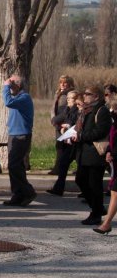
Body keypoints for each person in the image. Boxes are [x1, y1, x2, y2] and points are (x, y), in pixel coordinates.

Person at [73, 85, 112, 226]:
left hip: (95, 154)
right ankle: (98, 208)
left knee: (94, 185)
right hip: (84, 153)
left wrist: (81, 136)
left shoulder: (102, 111)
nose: (85, 96)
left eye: (88, 94)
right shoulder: (85, 110)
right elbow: (79, 127)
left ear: (96, 96)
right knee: (81, 180)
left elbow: (100, 132)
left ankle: (96, 213)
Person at [2, 75, 36, 207]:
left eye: (12, 83)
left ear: (17, 84)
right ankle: (18, 194)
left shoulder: (24, 98)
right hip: (14, 134)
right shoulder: (17, 98)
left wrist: (5, 87)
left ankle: (28, 192)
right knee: (15, 166)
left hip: (21, 136)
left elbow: (7, 102)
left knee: (14, 165)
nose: (9, 86)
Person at [47, 90, 80, 196]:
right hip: (68, 142)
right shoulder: (67, 109)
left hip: (75, 143)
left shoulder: (77, 110)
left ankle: (59, 188)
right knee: (63, 164)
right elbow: (56, 119)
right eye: (68, 98)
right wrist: (61, 126)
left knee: (69, 165)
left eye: (70, 98)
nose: (68, 100)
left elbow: (76, 123)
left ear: (75, 100)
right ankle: (58, 188)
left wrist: (67, 126)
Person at [94, 94, 117, 234]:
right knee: (115, 193)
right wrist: (109, 151)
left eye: (115, 109)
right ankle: (106, 223)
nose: (113, 112)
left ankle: (106, 223)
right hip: (115, 160)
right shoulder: (114, 122)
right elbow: (112, 139)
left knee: (115, 192)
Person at [49, 76, 75, 175]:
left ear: (70, 84)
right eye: (61, 82)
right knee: (60, 146)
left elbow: (65, 112)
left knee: (62, 147)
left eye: (65, 83)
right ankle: (58, 167)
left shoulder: (70, 94)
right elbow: (54, 109)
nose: (62, 85)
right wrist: (53, 120)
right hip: (58, 123)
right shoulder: (59, 94)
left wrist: (56, 121)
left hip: (64, 124)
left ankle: (58, 168)